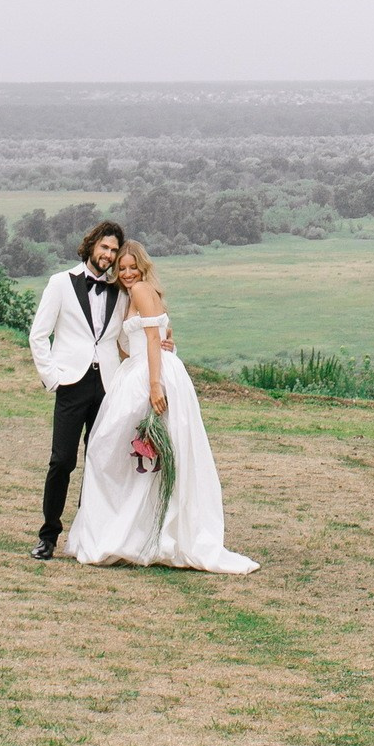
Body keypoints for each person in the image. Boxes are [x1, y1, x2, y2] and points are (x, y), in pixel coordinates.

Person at [65, 242, 257, 572]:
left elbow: (154, 340)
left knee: (117, 451)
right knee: (135, 456)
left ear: (142, 267)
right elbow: (152, 337)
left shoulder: (140, 289)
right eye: (121, 268)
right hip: (140, 370)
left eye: (131, 267)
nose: (126, 274)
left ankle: (141, 534)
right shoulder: (133, 294)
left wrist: (155, 385)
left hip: (149, 376)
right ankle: (138, 532)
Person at [27, 218, 128, 561]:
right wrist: (53, 377)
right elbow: (38, 335)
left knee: (99, 463)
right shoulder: (60, 283)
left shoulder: (121, 292)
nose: (109, 255)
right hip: (71, 384)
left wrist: (160, 342)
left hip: (107, 388)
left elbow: (125, 340)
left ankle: (88, 536)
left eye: (114, 250)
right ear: (91, 245)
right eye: (104, 247)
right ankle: (48, 536)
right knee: (62, 461)